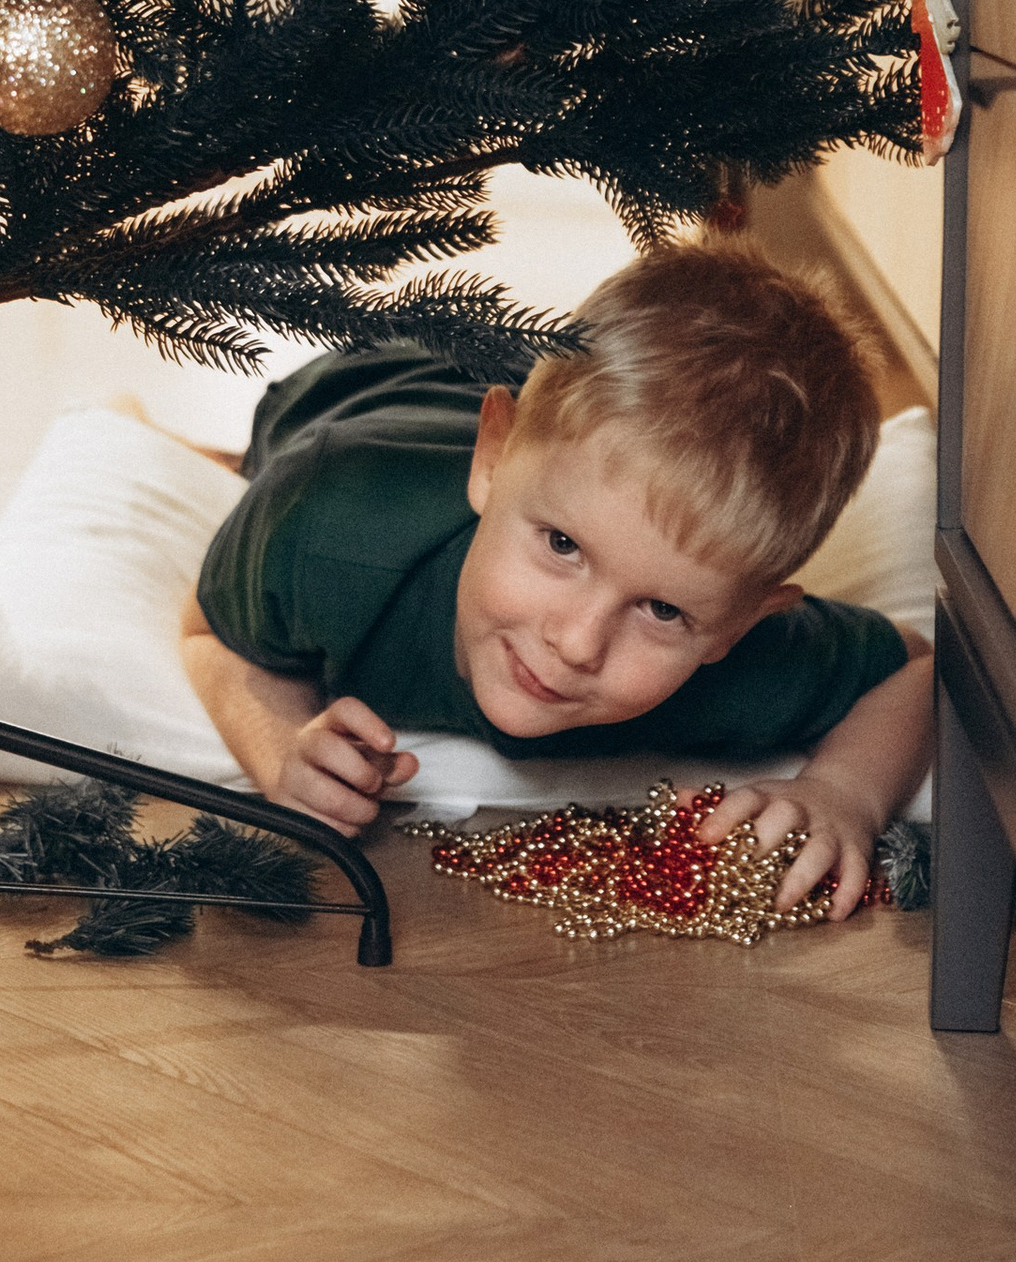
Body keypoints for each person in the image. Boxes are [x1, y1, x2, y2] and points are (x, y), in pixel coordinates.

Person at [179, 243, 932, 918]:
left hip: (537, 422)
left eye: (663, 609)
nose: (577, 643)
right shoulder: (329, 517)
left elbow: (921, 667)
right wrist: (279, 747)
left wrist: (845, 793)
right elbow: (208, 628)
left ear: (738, 626)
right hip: (358, 382)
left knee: (577, 439)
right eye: (563, 545)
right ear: (491, 461)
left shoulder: (752, 666)